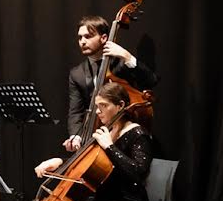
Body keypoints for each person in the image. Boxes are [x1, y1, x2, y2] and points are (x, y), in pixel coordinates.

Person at [65, 15, 156, 152]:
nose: (82, 41)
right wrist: (76, 137)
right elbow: (76, 111)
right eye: (80, 37)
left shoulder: (121, 63)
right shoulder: (77, 74)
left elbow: (150, 80)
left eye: (88, 36)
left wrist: (128, 57)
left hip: (125, 138)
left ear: (103, 38)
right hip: (94, 137)